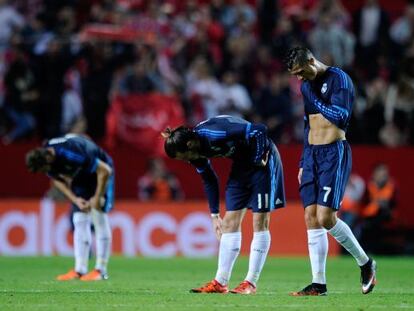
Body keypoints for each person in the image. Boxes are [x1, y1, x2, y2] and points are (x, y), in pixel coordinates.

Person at [285, 47, 376, 296]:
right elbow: (307, 124)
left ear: (312, 61)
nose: (300, 79)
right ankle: (318, 284)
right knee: (311, 217)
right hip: (312, 155)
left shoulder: (339, 79)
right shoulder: (306, 85)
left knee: (326, 217)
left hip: (333, 153)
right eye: (295, 74)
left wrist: (314, 98)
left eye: (301, 71)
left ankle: (366, 263)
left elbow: (341, 116)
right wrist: (303, 161)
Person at [162, 115, 285, 294]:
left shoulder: (214, 133)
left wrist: (258, 158)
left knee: (259, 222)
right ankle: (220, 282)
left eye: (183, 157)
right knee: (229, 223)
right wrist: (214, 215)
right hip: (241, 165)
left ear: (189, 146)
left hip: (263, 162)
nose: (185, 161)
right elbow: (209, 179)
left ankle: (250, 283)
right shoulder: (195, 150)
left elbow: (260, 130)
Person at [26, 133, 114, 281]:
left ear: (48, 158)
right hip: (81, 176)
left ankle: (101, 270)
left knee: (98, 215)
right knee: (79, 219)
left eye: (45, 169)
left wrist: (97, 197)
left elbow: (104, 170)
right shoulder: (47, 153)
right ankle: (79, 270)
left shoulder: (73, 154)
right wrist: (75, 199)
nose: (46, 172)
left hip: (101, 173)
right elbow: (56, 179)